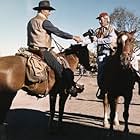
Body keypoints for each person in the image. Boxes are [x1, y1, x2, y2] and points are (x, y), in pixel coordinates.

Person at [27, 0, 83, 96]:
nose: (49, 13)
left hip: (31, 49)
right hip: (42, 51)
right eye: (48, 10)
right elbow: (58, 32)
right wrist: (73, 37)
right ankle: (70, 88)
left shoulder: (31, 21)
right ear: (43, 10)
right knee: (61, 69)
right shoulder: (44, 22)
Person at [92, 12, 117, 99]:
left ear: (107, 19)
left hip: (110, 53)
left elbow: (111, 39)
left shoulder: (112, 29)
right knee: (100, 75)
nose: (99, 21)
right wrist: (82, 41)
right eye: (99, 19)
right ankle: (102, 89)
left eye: (100, 19)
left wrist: (98, 40)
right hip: (100, 55)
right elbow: (92, 39)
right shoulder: (98, 30)